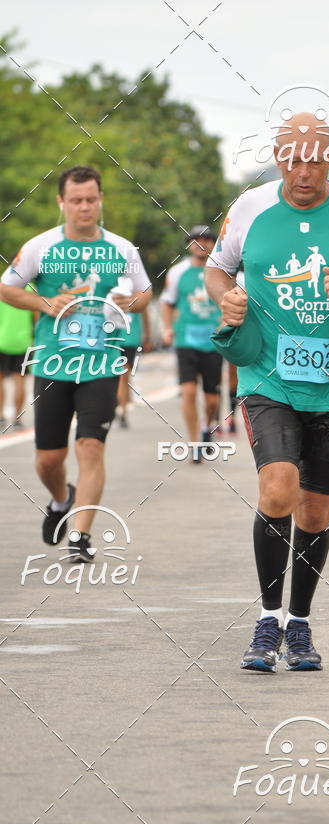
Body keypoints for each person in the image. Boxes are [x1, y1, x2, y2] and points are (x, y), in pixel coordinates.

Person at [205, 112, 329, 673]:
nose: (302, 171)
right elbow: (217, 269)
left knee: (315, 511)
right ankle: (267, 621)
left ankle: (299, 624)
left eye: (314, 159)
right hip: (267, 378)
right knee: (278, 491)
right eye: (292, 159)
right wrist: (226, 298)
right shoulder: (249, 207)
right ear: (277, 157)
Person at [0, 164, 151, 561]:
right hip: (53, 365)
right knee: (49, 459)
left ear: (101, 201)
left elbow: (145, 293)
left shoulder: (122, 249)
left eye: (90, 200)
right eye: (76, 200)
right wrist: (44, 302)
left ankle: (80, 536)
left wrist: (131, 303)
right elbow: (8, 288)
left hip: (102, 364)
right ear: (61, 202)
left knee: (90, 446)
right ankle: (60, 498)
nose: (84, 207)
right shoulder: (41, 247)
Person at [161, 227, 222, 459]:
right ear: (189, 245)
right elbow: (167, 302)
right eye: (196, 240)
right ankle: (194, 441)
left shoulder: (222, 270)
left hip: (213, 342)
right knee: (188, 390)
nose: (201, 244)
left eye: (206, 240)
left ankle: (207, 425)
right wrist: (167, 328)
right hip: (186, 339)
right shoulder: (178, 272)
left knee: (212, 399)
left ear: (214, 244)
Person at [0, 294, 34, 431]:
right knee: (19, 381)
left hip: (1, 340)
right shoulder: (30, 290)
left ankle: (1, 416)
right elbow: (36, 318)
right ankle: (17, 419)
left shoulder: (3, 289)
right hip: (23, 342)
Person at [116, 306, 152, 428]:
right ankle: (121, 403)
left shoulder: (137, 297)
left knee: (124, 375)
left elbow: (145, 315)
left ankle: (122, 409)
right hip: (112, 339)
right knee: (121, 375)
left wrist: (147, 337)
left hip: (129, 339)